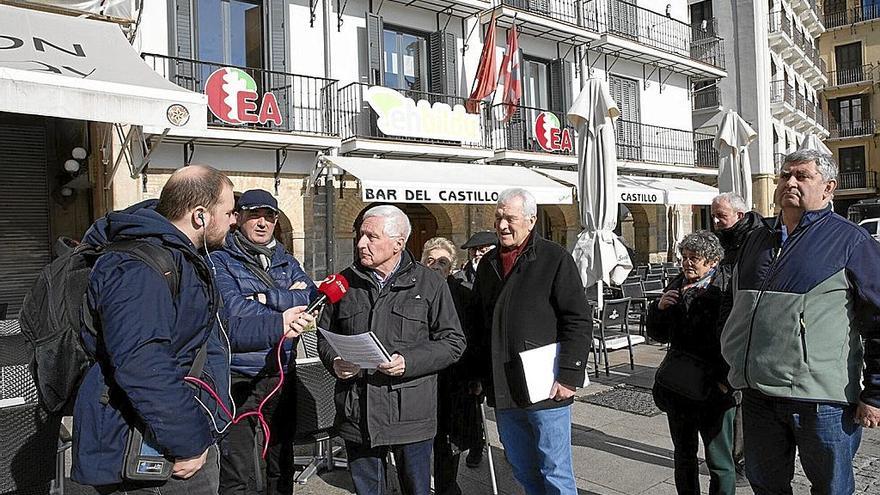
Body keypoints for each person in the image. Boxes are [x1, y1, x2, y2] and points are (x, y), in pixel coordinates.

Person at [70, 165, 315, 493]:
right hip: (148, 448)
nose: (233, 220)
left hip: (180, 437)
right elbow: (142, 365)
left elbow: (221, 333)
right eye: (229, 212)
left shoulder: (189, 258)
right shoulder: (138, 267)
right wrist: (189, 441)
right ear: (200, 216)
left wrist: (278, 322)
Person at [720, 149, 880, 494]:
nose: (789, 182)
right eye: (784, 175)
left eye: (802, 176)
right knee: (766, 486)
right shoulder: (756, 239)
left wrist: (876, 393)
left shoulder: (852, 240)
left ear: (828, 188)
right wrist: (726, 364)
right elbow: (733, 306)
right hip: (758, 393)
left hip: (821, 400)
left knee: (830, 488)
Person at [317, 205, 466, 495]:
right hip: (357, 414)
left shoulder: (430, 283)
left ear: (398, 243)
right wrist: (334, 360)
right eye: (361, 236)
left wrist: (408, 362)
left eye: (371, 237)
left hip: (410, 416)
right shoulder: (344, 283)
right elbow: (325, 337)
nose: (361, 244)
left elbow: (453, 342)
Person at [470, 188, 590, 495]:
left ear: (531, 220)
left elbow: (577, 319)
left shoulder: (554, 258)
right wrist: (477, 375)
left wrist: (569, 375)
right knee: (522, 467)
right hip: (503, 385)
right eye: (498, 217)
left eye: (510, 218)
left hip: (546, 385)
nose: (502, 225)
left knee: (555, 471)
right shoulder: (487, 264)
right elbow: (478, 325)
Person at [213, 189, 317, 495]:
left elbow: (311, 297)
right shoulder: (221, 258)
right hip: (242, 376)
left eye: (269, 216)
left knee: (280, 458)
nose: (262, 223)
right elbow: (235, 311)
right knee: (240, 465)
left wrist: (265, 297)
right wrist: (287, 303)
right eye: (254, 215)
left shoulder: (285, 259)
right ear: (239, 218)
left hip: (282, 370)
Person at [648, 230, 735, 495]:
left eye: (694, 258)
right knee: (683, 455)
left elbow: (735, 339)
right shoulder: (675, 285)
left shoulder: (725, 290)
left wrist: (724, 382)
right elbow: (659, 334)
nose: (687, 263)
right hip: (680, 386)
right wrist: (658, 309)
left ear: (712, 262)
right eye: (684, 257)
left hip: (714, 389)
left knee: (719, 460)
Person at [422, 237, 484, 495]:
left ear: (451, 268)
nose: (436, 266)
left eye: (443, 262)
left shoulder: (463, 294)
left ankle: (448, 486)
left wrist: (478, 377)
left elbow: (475, 337)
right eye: (430, 260)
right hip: (422, 378)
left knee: (449, 440)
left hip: (456, 380)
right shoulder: (413, 293)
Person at [710, 191, 763, 487]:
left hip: (743, 331)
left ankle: (740, 461)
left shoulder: (754, 241)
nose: (716, 221)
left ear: (739, 216)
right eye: (714, 215)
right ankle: (732, 457)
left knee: (740, 398)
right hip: (725, 329)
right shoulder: (726, 240)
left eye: (721, 216)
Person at [450, 231, 495, 469]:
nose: (478, 253)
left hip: (494, 351)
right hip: (471, 351)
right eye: (474, 250)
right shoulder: (459, 279)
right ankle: (477, 445)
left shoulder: (500, 275)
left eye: (484, 249)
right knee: (474, 404)